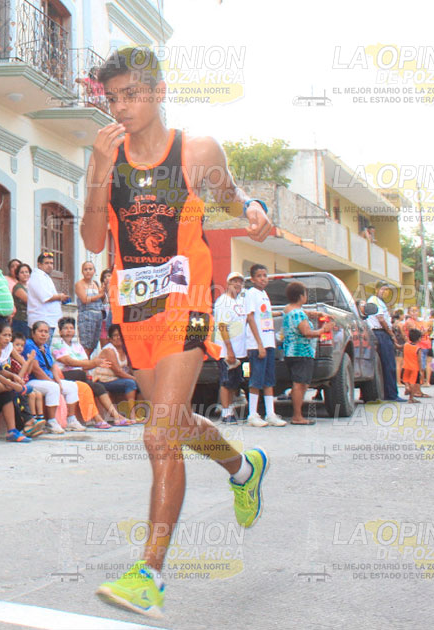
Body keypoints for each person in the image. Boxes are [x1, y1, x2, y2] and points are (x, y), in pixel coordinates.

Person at [80, 46, 274, 617]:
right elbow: (93, 242)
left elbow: (231, 196)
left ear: (159, 92)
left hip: (186, 305)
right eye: (112, 98)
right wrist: (94, 170)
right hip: (134, 310)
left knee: (158, 434)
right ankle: (243, 466)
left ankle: (151, 574)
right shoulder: (107, 158)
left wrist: (253, 206)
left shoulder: (195, 150)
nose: (122, 107)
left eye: (132, 95)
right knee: (176, 423)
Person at [53, 317, 133, 427]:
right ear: (60, 331)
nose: (69, 330)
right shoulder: (57, 344)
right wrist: (94, 363)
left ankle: (116, 416)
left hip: (79, 375)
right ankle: (98, 419)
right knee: (82, 377)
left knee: (98, 387)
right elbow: (68, 361)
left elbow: (86, 363)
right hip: (64, 375)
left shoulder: (77, 346)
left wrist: (94, 363)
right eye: (65, 328)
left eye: (71, 328)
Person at [281, 282, 333, 425]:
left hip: (290, 351)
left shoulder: (288, 309)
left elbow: (304, 313)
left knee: (299, 383)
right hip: (301, 352)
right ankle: (297, 416)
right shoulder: (298, 313)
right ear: (301, 296)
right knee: (300, 384)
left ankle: (298, 414)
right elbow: (307, 333)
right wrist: (324, 330)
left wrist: (317, 314)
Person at [243, 264, 284, 426]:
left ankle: (270, 413)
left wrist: (281, 312)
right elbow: (251, 318)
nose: (263, 278)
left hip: (268, 342)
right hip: (257, 344)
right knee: (256, 380)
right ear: (252, 279)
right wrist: (259, 344)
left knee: (269, 380)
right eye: (259, 276)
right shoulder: (251, 294)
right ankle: (252, 414)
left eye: (265, 275)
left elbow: (265, 315)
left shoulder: (264, 294)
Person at [21, 321, 72, 435]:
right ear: (33, 333)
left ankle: (71, 420)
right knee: (53, 387)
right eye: (40, 331)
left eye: (46, 332)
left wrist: (58, 381)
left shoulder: (45, 346)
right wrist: (53, 382)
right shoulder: (29, 345)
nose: (43, 334)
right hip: (32, 380)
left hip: (47, 379)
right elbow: (36, 369)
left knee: (72, 386)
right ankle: (51, 421)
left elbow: (53, 366)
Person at [213, 271, 247, 423]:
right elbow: (222, 326)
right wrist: (230, 350)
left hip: (239, 352)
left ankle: (230, 409)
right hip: (227, 352)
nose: (238, 284)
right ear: (228, 284)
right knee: (226, 382)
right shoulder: (223, 302)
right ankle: (226, 413)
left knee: (234, 382)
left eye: (240, 282)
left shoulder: (238, 302)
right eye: (234, 281)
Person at [366, 283, 405, 402]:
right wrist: (391, 334)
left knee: (387, 365)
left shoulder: (381, 302)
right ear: (377, 289)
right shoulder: (374, 300)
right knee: (388, 365)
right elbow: (381, 319)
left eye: (387, 290)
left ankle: (387, 392)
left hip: (383, 333)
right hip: (380, 333)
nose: (385, 292)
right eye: (383, 289)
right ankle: (391, 394)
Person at [94, 324, 139, 407]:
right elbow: (118, 372)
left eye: (120, 335)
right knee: (131, 383)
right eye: (115, 335)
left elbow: (130, 368)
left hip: (116, 379)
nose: (118, 337)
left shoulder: (125, 349)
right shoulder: (109, 350)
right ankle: (132, 414)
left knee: (140, 385)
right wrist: (136, 379)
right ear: (110, 339)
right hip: (104, 380)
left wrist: (139, 379)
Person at [27, 253, 69, 338]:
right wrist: (60, 296)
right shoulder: (38, 277)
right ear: (39, 264)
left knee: (45, 348)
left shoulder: (44, 276)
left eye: (51, 263)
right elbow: (45, 297)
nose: (50, 265)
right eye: (46, 263)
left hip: (48, 320)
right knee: (41, 348)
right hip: (42, 320)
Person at [75, 261, 106, 355]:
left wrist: (103, 293)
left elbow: (102, 300)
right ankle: (84, 366)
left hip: (98, 316)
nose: (88, 271)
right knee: (86, 345)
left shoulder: (96, 284)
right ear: (82, 271)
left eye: (90, 269)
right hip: (86, 316)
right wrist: (99, 295)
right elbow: (84, 299)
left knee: (93, 345)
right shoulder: (79, 284)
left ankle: (87, 364)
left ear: (94, 271)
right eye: (85, 269)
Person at [401, 328, 423, 403]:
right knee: (413, 382)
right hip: (415, 368)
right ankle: (411, 398)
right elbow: (419, 360)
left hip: (405, 366)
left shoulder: (406, 345)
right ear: (419, 339)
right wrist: (420, 370)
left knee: (405, 380)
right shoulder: (418, 348)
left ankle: (407, 386)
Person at [10, 263, 31, 337]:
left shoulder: (29, 286)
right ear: (17, 275)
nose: (25, 274)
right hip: (21, 320)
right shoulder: (18, 287)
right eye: (22, 272)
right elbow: (29, 301)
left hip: (29, 320)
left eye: (27, 272)